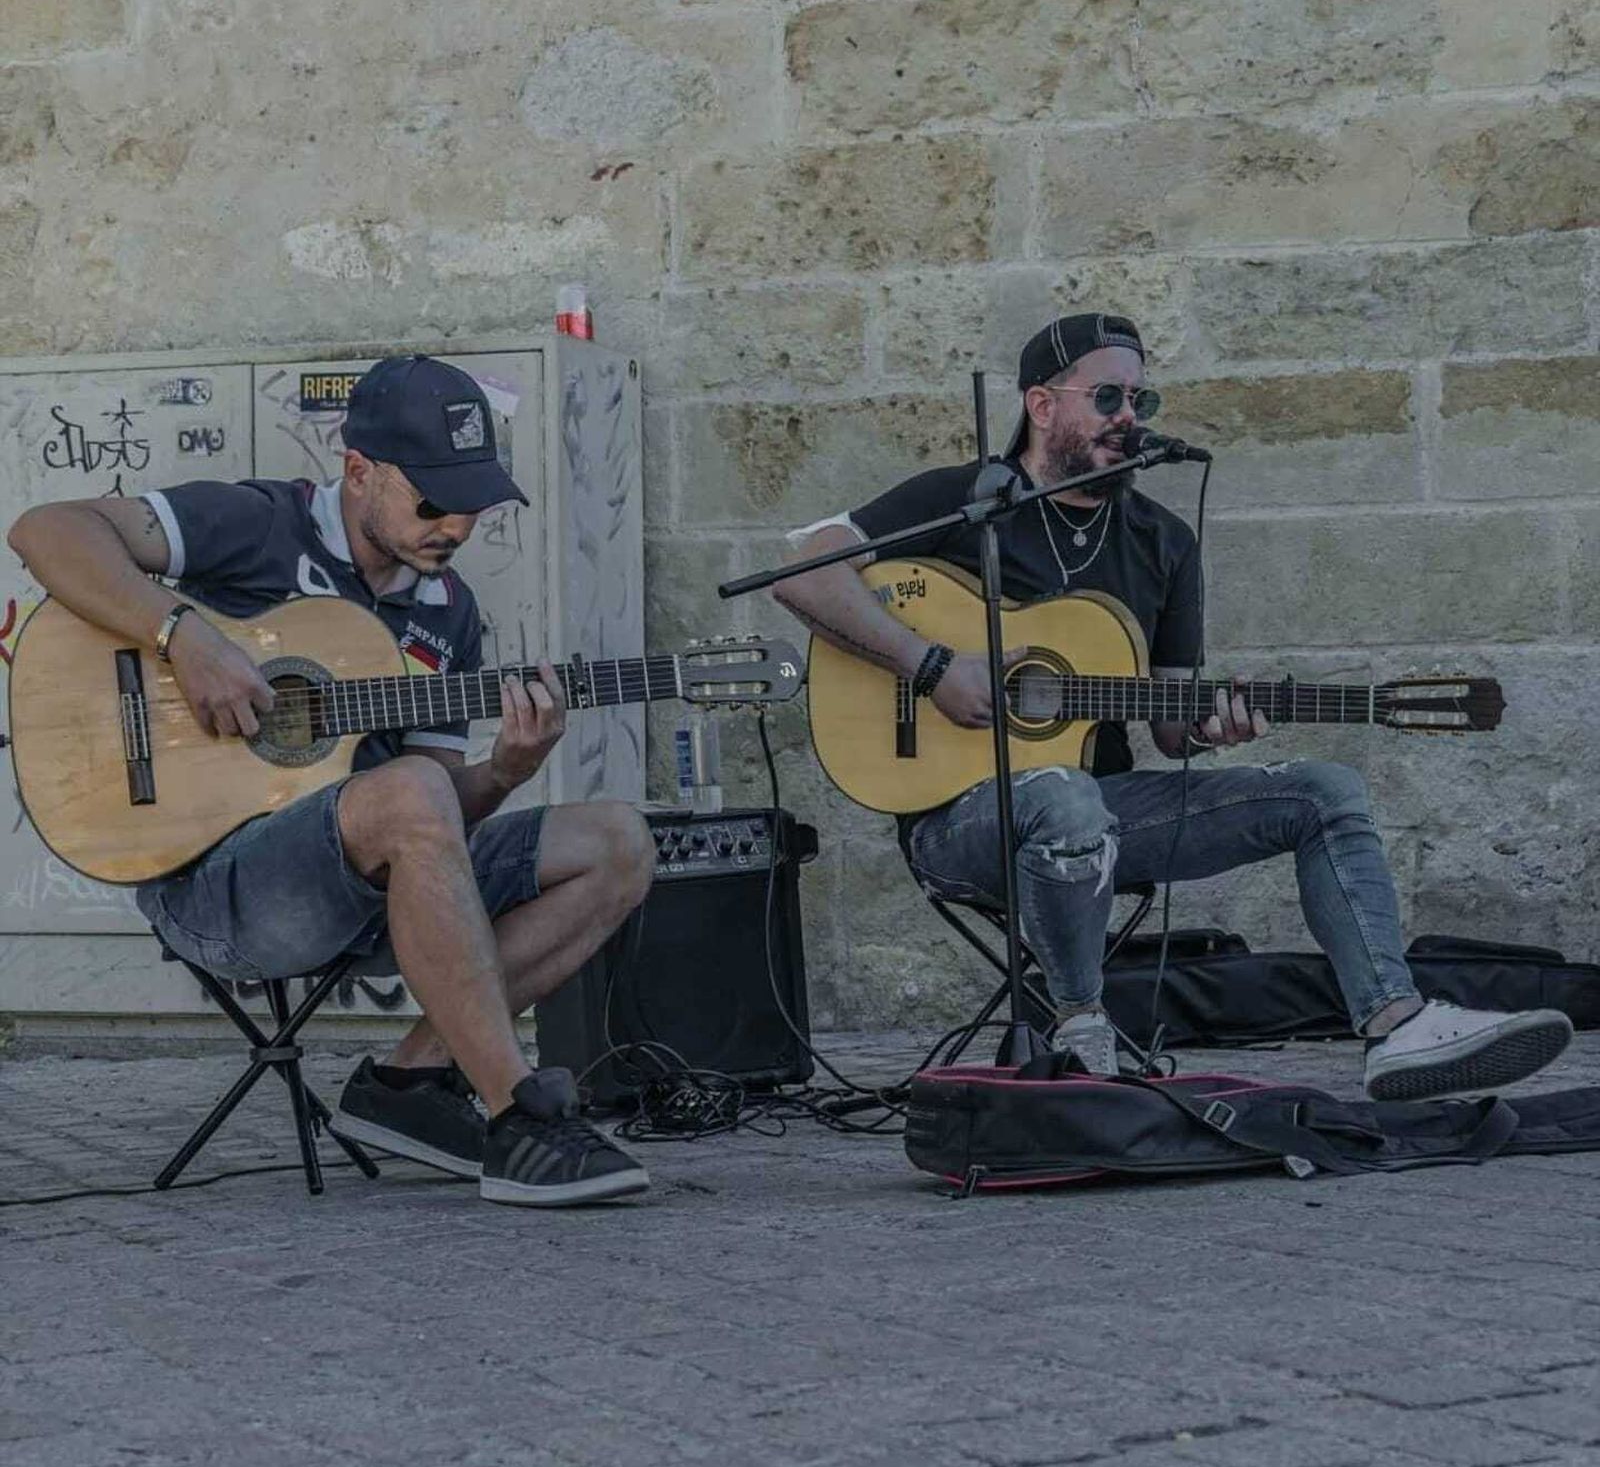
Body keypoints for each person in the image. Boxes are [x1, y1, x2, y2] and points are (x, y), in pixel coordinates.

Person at [772, 312, 1573, 1097]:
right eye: (1109, 399)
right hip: (957, 822)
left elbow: (1169, 723)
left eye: (1141, 402)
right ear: (1042, 404)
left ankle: (1395, 1025)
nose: (1130, 419)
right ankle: (1080, 1022)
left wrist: (1210, 725)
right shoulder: (963, 499)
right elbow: (802, 573)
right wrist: (932, 662)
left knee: (1326, 793)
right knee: (1059, 793)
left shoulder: (1162, 541)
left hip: (1106, 810)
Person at [8, 355, 655, 1205]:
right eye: (432, 501)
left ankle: (411, 1086)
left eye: (472, 504)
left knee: (618, 841)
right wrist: (184, 637)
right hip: (215, 881)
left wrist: (505, 769)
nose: (454, 527)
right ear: (359, 472)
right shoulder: (257, 524)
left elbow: (433, 820)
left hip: (369, 889)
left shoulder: (447, 613)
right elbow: (45, 531)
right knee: (412, 794)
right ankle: (517, 1115)